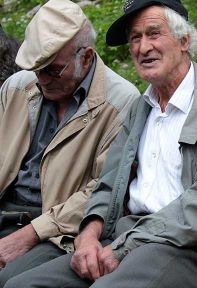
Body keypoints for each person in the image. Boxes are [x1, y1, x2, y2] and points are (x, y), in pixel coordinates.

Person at [5, 0, 197, 287]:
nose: (143, 47)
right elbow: (108, 183)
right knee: (22, 284)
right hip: (129, 235)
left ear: (184, 40)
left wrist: (125, 246)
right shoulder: (141, 107)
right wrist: (88, 235)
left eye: (154, 33)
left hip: (194, 246)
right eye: (135, 38)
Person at [0, 0, 139, 284]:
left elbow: (103, 189)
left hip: (57, 230)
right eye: (36, 68)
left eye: (52, 70)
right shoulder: (17, 86)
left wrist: (31, 233)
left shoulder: (121, 104)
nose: (41, 79)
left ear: (86, 57)